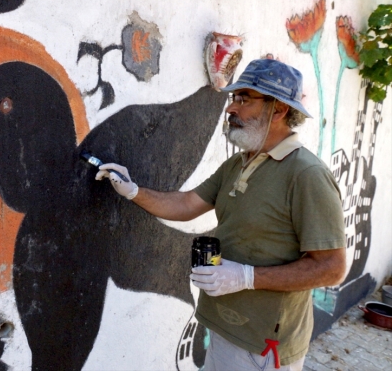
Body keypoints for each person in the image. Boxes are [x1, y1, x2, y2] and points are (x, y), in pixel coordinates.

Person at [96, 59, 346, 371]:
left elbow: (332, 268)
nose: (230, 109)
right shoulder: (240, 163)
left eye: (244, 99)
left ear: (279, 110)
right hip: (224, 325)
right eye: (233, 99)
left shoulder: (306, 174)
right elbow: (187, 204)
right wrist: (133, 190)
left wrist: (246, 277)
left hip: (264, 344)